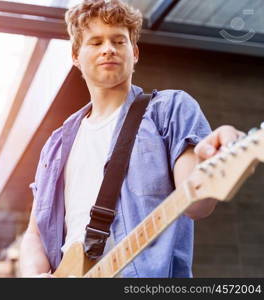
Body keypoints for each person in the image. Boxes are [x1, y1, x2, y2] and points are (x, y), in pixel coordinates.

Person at [19, 0, 245, 277]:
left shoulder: (170, 110)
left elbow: (198, 204)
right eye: (96, 42)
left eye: (118, 41)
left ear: (134, 52)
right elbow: (35, 233)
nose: (108, 49)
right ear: (76, 56)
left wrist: (212, 160)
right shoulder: (56, 144)